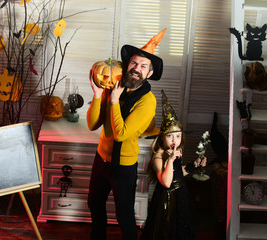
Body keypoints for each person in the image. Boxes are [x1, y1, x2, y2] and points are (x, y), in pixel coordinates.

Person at [86, 28, 167, 240]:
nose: (136, 69)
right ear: (127, 64)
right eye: (133, 63)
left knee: (124, 216)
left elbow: (121, 134)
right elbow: (93, 124)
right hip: (101, 159)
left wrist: (113, 101)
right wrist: (97, 95)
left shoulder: (147, 101)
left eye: (143, 66)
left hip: (123, 166)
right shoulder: (113, 86)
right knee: (94, 205)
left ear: (149, 73)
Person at [140, 90, 207, 240]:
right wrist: (169, 160)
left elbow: (179, 173)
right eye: (170, 136)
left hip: (180, 195)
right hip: (166, 201)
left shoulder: (176, 152)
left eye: (178, 136)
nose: (174, 140)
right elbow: (166, 181)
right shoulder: (158, 157)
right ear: (162, 138)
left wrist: (194, 165)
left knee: (181, 229)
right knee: (166, 231)